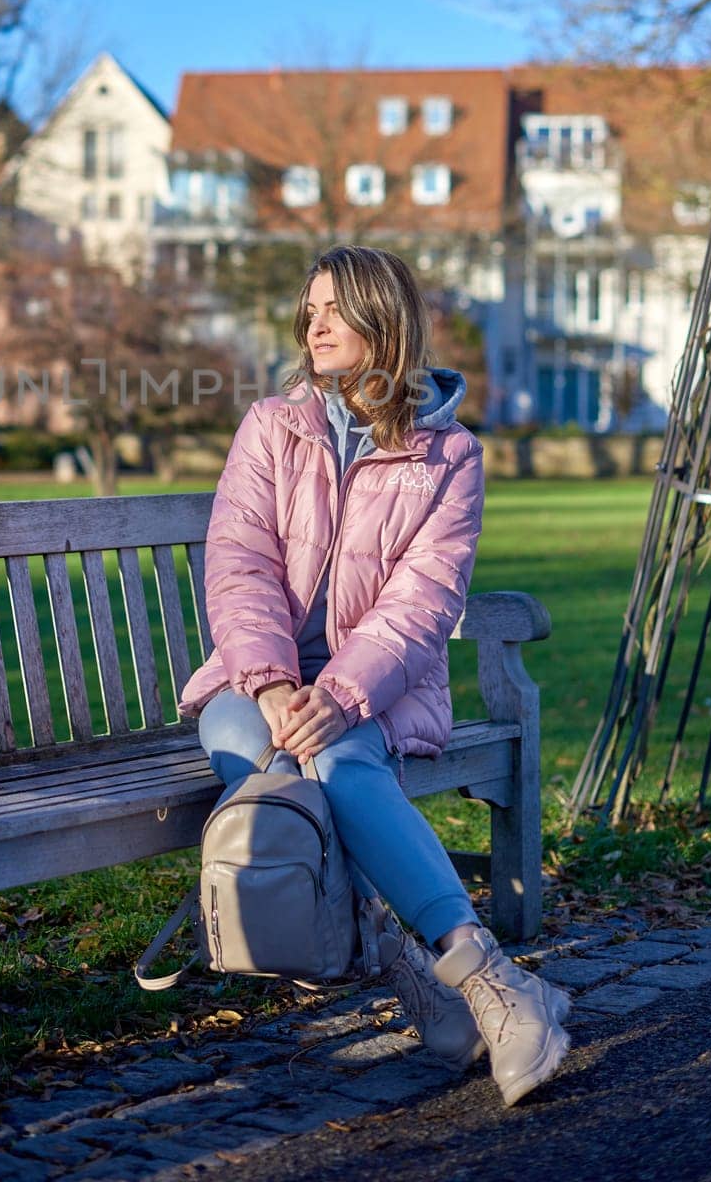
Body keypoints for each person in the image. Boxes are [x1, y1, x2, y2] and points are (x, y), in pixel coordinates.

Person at [179, 245, 570, 1107]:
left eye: (333, 308)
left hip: (376, 685)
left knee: (341, 762)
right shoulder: (270, 427)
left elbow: (421, 601)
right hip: (253, 679)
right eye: (308, 309)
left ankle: (488, 986)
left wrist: (343, 694)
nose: (312, 324)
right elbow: (236, 565)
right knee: (262, 760)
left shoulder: (449, 456)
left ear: (381, 320)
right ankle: (449, 984)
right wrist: (276, 683)